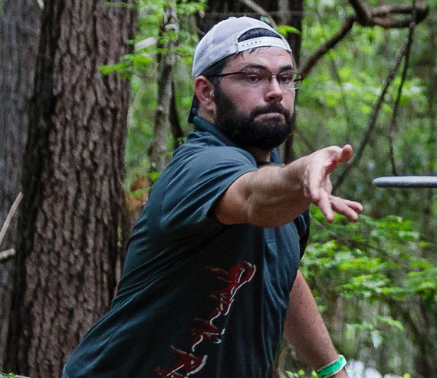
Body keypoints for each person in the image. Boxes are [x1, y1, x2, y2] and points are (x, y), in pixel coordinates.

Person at [62, 17, 365, 378]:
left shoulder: (281, 189)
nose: (275, 91)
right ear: (206, 93)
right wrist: (301, 175)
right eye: (253, 77)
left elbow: (279, 273)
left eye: (285, 78)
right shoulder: (199, 167)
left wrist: (331, 368)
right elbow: (253, 198)